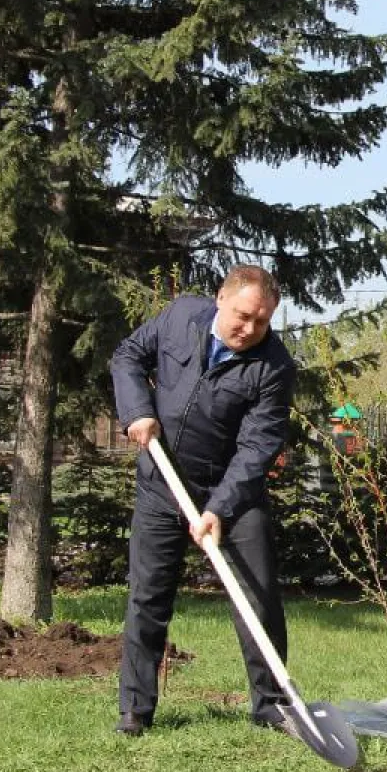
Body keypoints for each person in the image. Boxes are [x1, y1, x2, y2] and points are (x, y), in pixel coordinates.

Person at [110, 265, 298, 737]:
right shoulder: (180, 317)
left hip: (231, 491)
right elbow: (128, 355)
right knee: (148, 595)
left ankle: (273, 705)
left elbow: (257, 447)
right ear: (220, 299)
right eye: (242, 316)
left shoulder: (274, 366)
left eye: (261, 321)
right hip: (161, 482)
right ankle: (135, 710)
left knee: (257, 595)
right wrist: (137, 411)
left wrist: (219, 508)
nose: (249, 329)